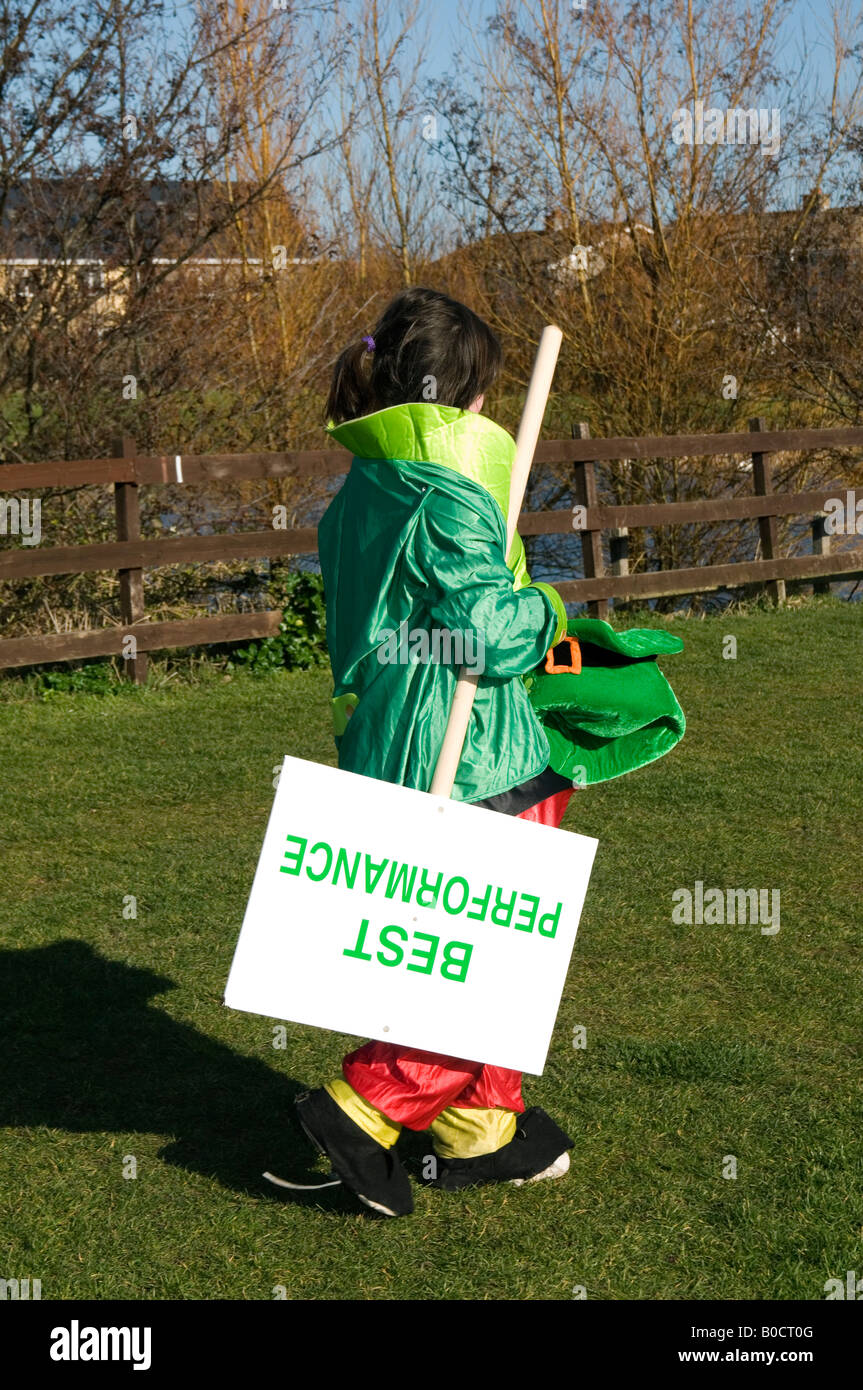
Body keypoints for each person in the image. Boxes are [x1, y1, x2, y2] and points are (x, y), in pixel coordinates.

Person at [294, 286, 578, 1217]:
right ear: (465, 400)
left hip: (393, 740)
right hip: (471, 758)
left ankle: (480, 1126)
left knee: (464, 940)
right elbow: (489, 632)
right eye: (485, 390)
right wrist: (552, 609)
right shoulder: (446, 495)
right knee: (486, 952)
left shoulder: (364, 490)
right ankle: (364, 1105)